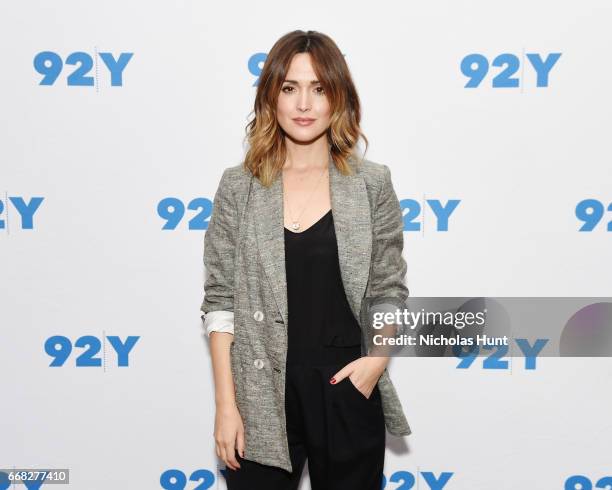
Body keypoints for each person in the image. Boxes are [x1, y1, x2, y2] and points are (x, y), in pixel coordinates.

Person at [200, 30, 411, 490]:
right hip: (259, 396)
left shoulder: (372, 184)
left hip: (346, 388)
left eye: (319, 89)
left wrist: (374, 363)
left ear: (338, 99)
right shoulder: (240, 186)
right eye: (290, 88)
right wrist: (226, 406)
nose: (303, 104)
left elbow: (388, 290)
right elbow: (219, 300)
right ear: (271, 97)